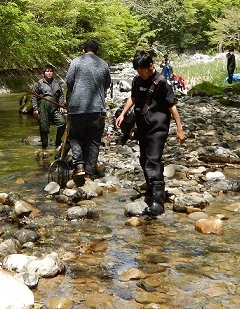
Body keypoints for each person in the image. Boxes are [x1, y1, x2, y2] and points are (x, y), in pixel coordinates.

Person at [115, 50, 186, 217]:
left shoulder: (162, 83)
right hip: (142, 126)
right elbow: (133, 97)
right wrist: (123, 114)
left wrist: (180, 129)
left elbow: (172, 106)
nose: (140, 74)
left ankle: (158, 201)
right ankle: (150, 190)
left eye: (143, 70)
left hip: (158, 127)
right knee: (144, 159)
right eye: (138, 71)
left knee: (153, 160)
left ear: (151, 66)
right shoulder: (137, 80)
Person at [65, 38, 112, 184]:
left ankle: (79, 166)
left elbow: (69, 81)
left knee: (75, 137)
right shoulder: (103, 64)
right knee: (93, 140)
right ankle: (89, 173)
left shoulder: (76, 62)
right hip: (97, 108)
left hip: (77, 108)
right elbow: (107, 84)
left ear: (83, 50)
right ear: (97, 51)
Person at [31, 64, 67, 150]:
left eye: (51, 71)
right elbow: (34, 96)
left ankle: (58, 141)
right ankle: (44, 147)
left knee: (62, 123)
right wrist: (35, 109)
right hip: (43, 110)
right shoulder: (39, 84)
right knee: (44, 128)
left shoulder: (57, 83)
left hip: (54, 108)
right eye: (47, 71)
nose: (49, 73)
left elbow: (61, 95)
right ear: (44, 73)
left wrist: (61, 106)